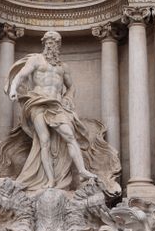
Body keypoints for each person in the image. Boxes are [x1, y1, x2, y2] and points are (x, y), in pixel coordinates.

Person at [6, 30, 98, 191]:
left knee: (69, 135)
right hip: (37, 103)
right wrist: (13, 88)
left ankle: (82, 170)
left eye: (54, 43)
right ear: (44, 44)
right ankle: (50, 180)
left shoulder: (63, 67)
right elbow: (21, 75)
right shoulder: (36, 60)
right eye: (48, 42)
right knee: (45, 141)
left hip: (56, 105)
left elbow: (71, 87)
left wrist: (68, 98)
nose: (51, 45)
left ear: (58, 46)